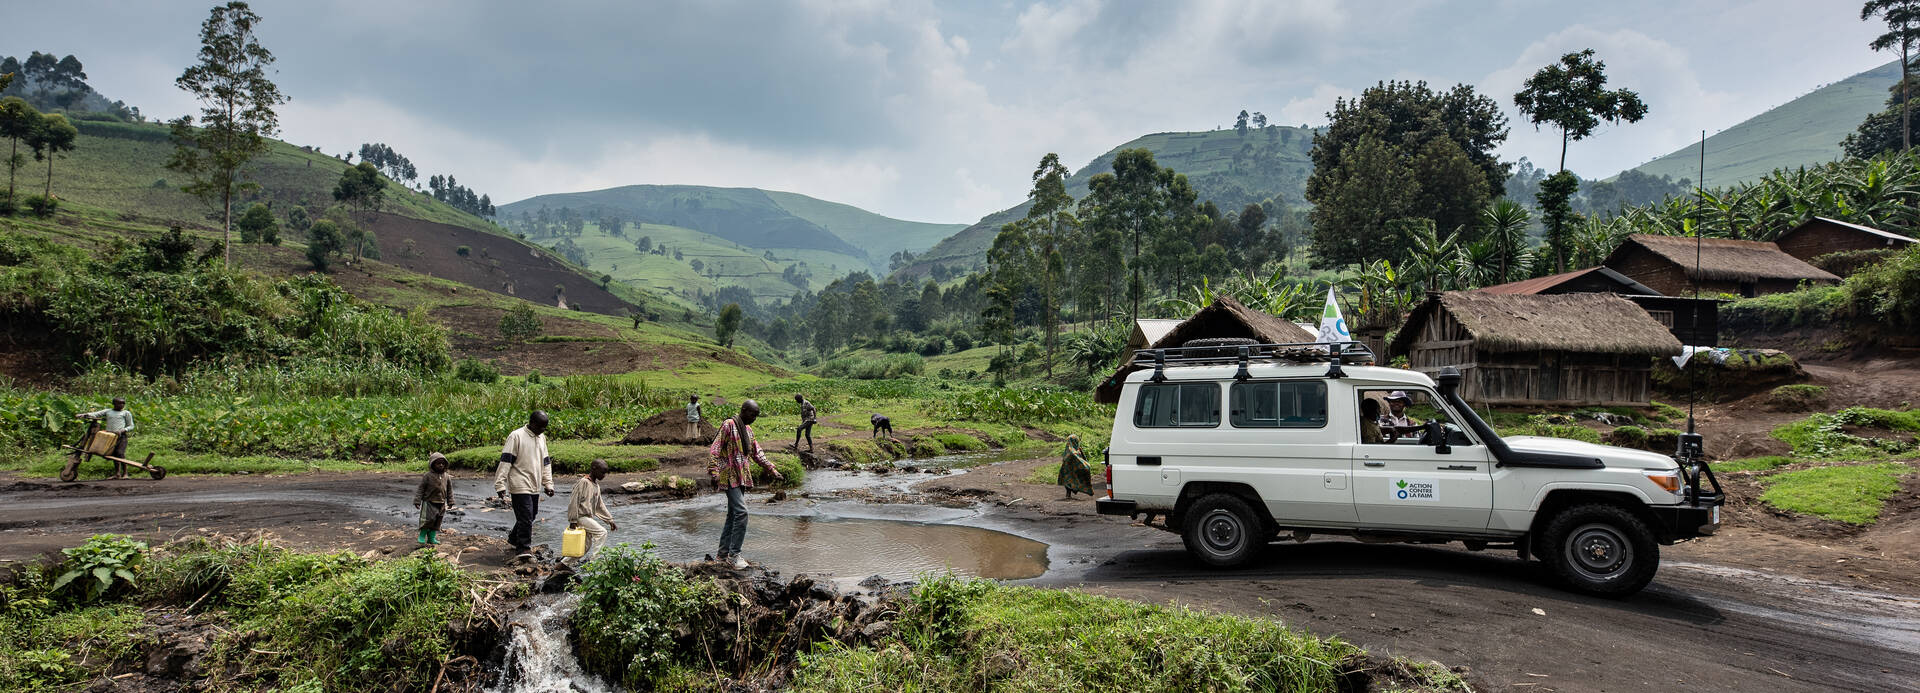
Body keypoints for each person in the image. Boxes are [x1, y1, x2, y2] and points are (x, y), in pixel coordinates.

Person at [709, 399, 783, 570]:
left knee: (733, 514)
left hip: (741, 475)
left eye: (757, 416)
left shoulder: (748, 430)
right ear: (743, 410)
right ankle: (734, 556)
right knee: (742, 513)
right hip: (728, 475)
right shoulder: (728, 425)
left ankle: (722, 554)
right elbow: (715, 448)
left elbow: (757, 453)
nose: (754, 418)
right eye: (752, 414)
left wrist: (772, 470)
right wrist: (714, 471)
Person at [494, 411, 556, 554]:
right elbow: (506, 461)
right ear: (532, 423)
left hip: (534, 483)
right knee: (526, 516)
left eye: (544, 428)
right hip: (519, 482)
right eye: (541, 427)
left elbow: (545, 462)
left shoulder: (541, 438)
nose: (542, 431)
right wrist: (500, 485)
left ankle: (514, 538)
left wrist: (548, 483)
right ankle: (523, 549)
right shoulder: (516, 436)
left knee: (531, 514)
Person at [567, 459, 618, 561]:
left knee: (584, 548)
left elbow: (599, 505)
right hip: (581, 517)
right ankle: (595, 562)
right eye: (602, 472)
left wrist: (610, 520)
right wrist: (573, 520)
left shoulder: (596, 486)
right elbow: (574, 501)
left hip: (588, 517)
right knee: (602, 533)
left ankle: (563, 565)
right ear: (594, 469)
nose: (604, 475)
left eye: (605, 473)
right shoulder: (583, 482)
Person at [76, 398, 135, 479]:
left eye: (123, 403)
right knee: (114, 454)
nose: (122, 405)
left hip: (121, 436)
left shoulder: (126, 413)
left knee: (120, 453)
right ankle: (117, 474)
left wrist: (123, 430)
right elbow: (96, 414)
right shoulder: (108, 411)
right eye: (119, 403)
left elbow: (131, 425)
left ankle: (125, 473)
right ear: (114, 404)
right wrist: (84, 415)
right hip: (110, 436)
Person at [415, 452, 455, 548]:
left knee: (437, 521)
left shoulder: (447, 476)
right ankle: (422, 536)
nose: (441, 465)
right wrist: (417, 501)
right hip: (429, 502)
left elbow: (449, 490)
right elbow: (421, 489)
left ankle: (431, 538)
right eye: (438, 463)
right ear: (432, 464)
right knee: (427, 520)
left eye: (443, 463)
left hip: (441, 503)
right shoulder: (427, 476)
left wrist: (450, 501)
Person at [1057, 434, 1093, 499]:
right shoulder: (1071, 451)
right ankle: (1068, 494)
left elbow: (1082, 458)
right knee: (1070, 481)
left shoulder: (1073, 449)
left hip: (1070, 470)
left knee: (1070, 481)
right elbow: (1076, 458)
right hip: (1069, 469)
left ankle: (1069, 494)